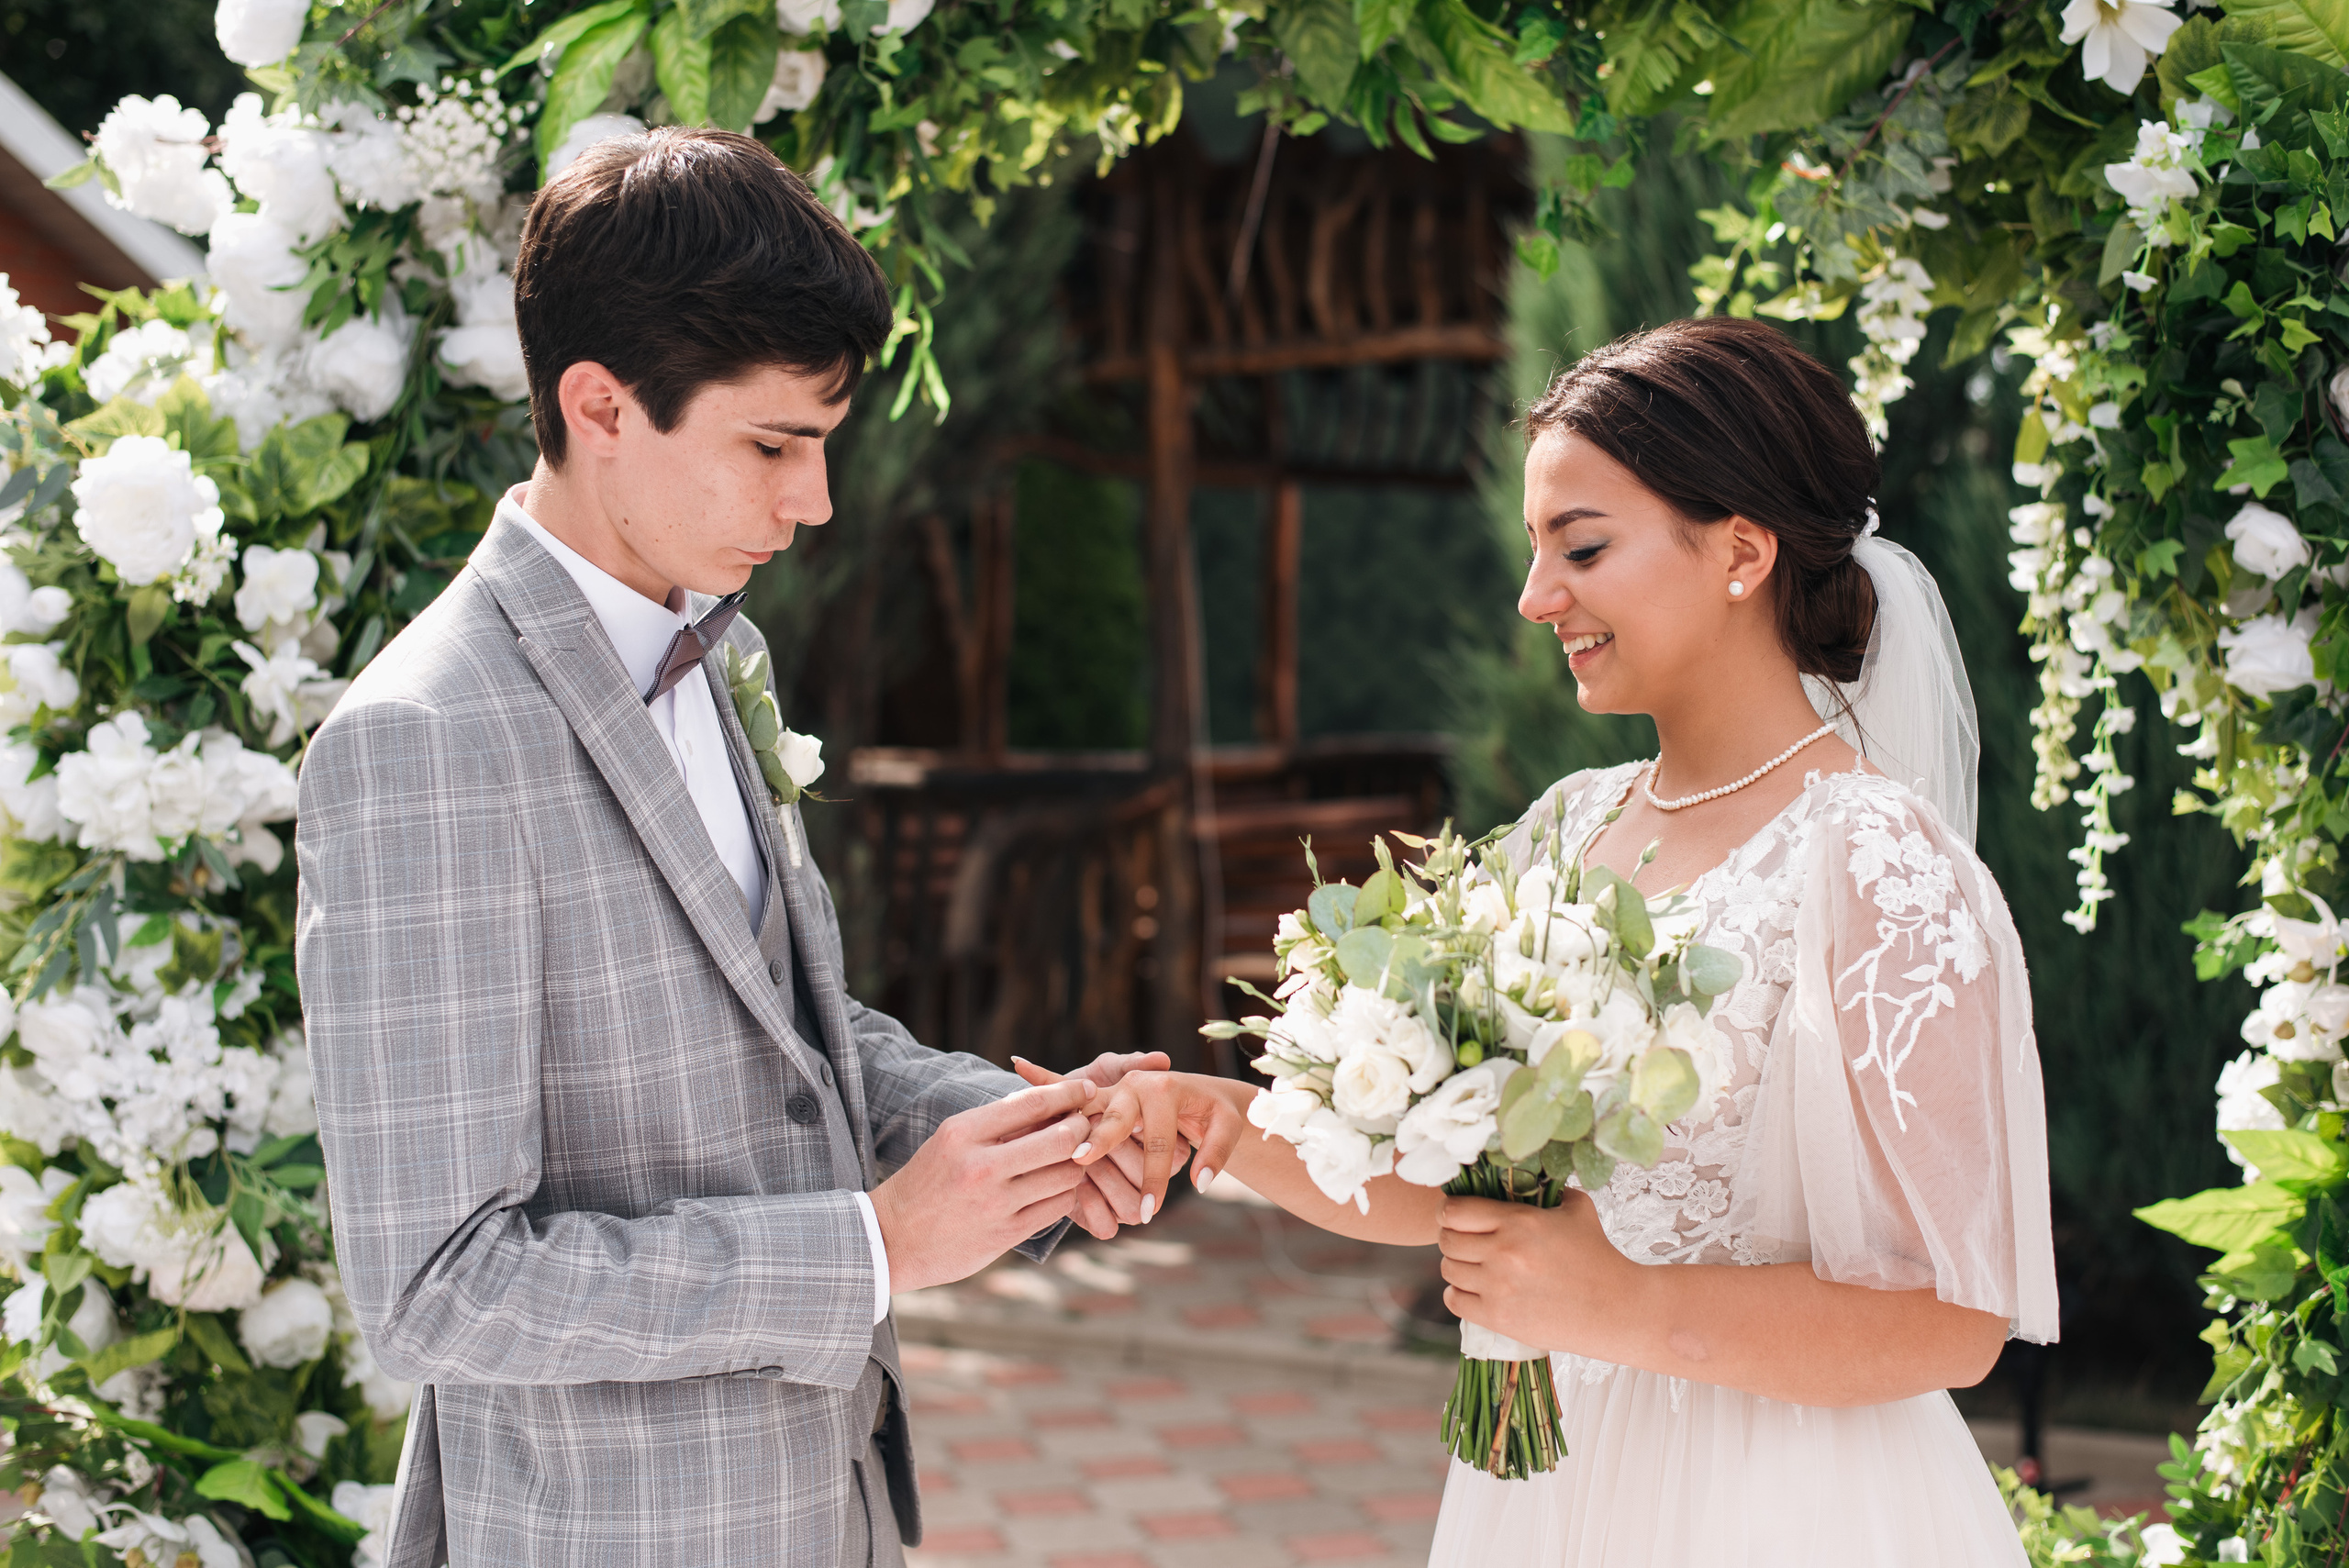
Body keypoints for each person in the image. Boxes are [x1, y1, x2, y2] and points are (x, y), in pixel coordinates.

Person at [295, 128, 1165, 1568]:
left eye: (821, 445)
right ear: (601, 405)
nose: (815, 501)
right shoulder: (424, 738)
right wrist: (874, 1246)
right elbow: (437, 1286)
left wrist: (1032, 1138)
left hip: (831, 1513)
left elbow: (780, 1037)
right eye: (773, 445)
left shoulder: (720, 650)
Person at [1057, 316, 2056, 1566]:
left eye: (1580, 547)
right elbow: (1466, 1188)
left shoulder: (1878, 863)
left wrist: (1626, 1304)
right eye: (1537, 551)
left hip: (1787, 1500)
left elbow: (1954, 1319)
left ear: (1742, 550)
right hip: (1554, 1485)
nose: (1536, 597)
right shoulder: (1568, 829)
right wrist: (1223, 1121)